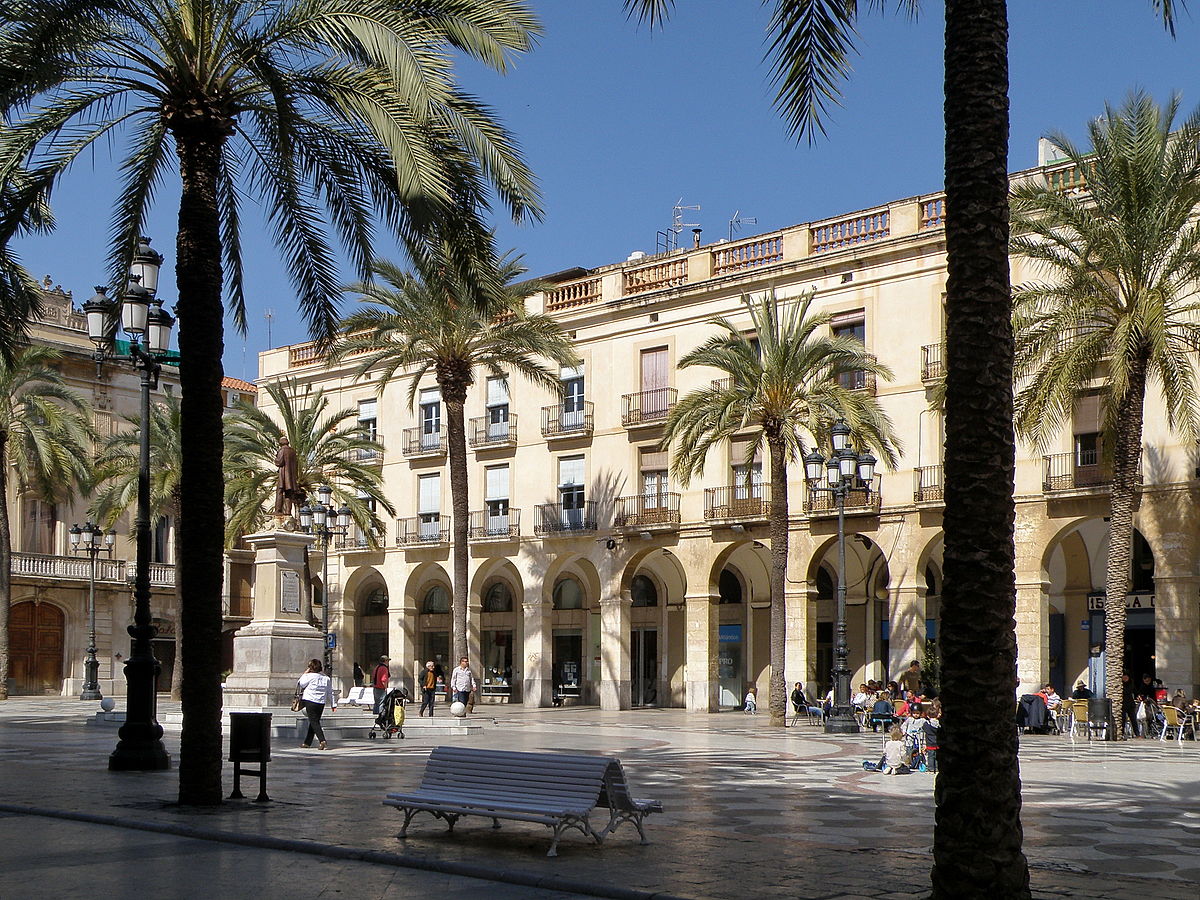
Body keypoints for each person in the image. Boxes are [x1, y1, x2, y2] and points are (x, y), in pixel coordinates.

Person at [297, 658, 334, 750]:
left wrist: (305, 673)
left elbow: (300, 683)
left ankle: (322, 740)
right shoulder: (326, 678)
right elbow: (330, 692)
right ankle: (307, 742)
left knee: (314, 722)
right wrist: (334, 704)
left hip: (310, 701)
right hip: (321, 702)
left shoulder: (309, 676)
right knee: (314, 721)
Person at [273, 437, 301, 517]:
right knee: (289, 494)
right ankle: (288, 511)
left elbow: (279, 462)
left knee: (279, 491)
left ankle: (278, 510)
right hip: (291, 477)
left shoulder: (282, 450)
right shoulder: (292, 451)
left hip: (284, 476)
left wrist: (276, 459)